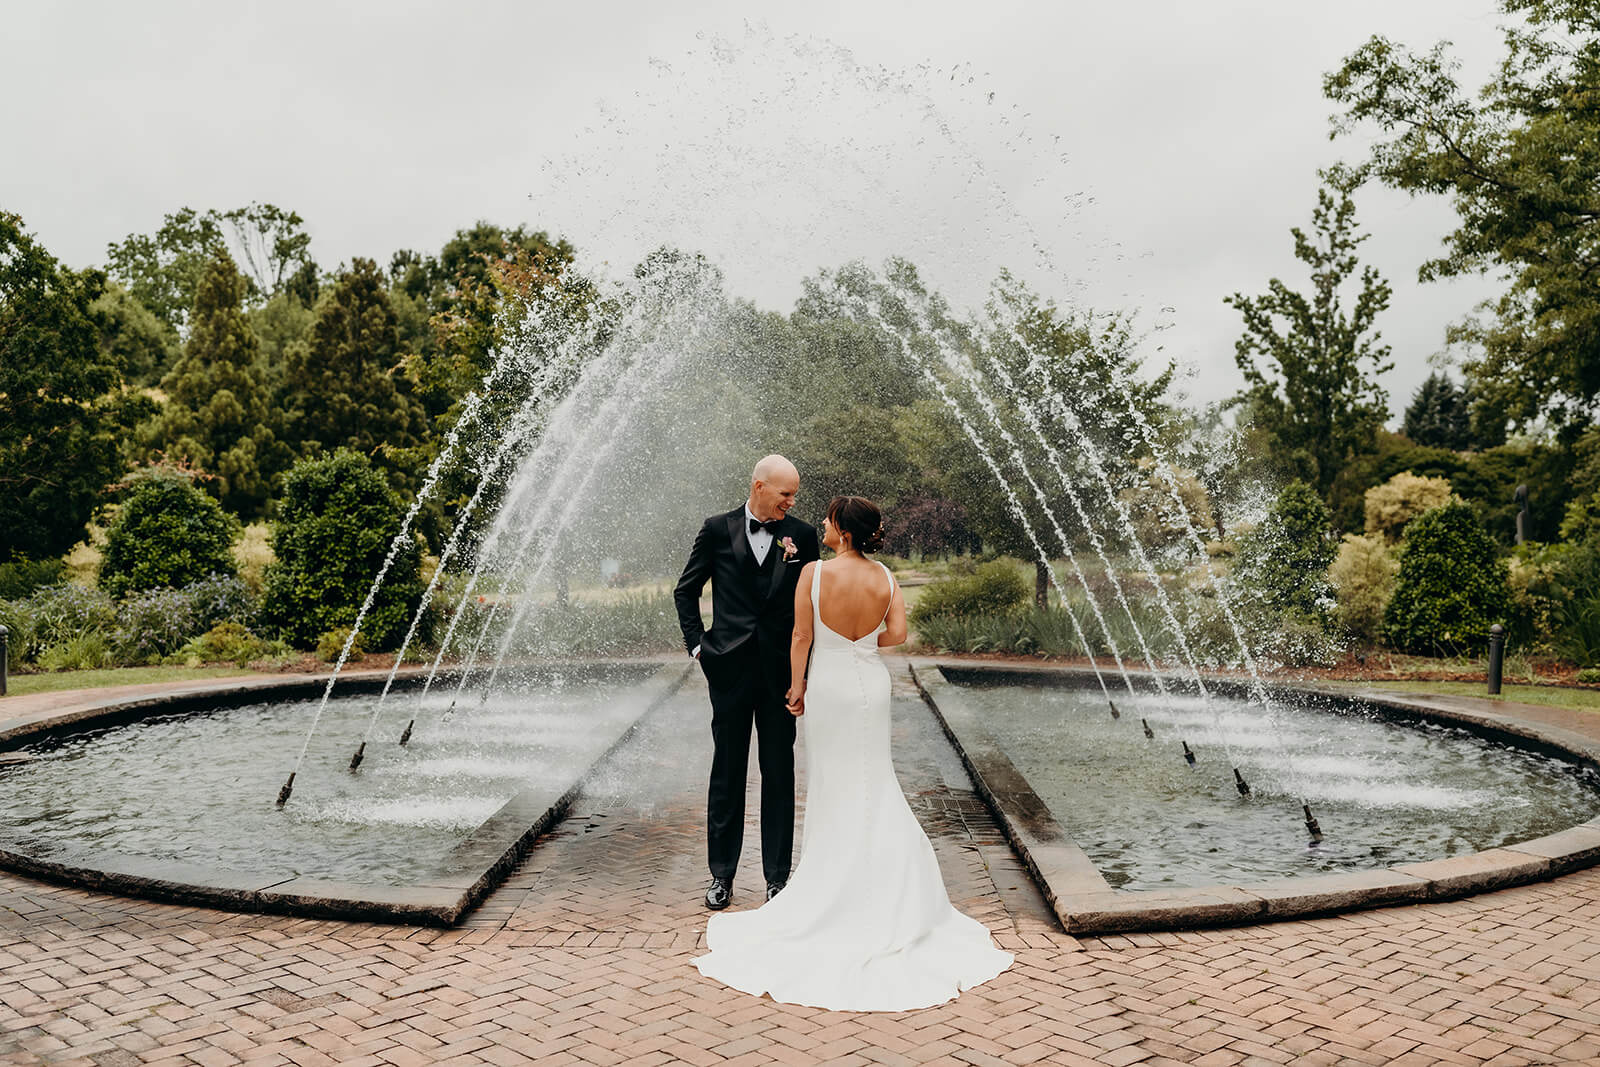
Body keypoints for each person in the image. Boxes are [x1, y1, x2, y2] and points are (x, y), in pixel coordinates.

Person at [692, 496, 1014, 1012]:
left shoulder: (814, 574)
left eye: (827, 519)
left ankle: (830, 883)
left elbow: (801, 635)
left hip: (829, 687)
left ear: (841, 529)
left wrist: (796, 687)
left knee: (833, 782)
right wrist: (862, 644)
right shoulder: (886, 577)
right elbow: (900, 634)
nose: (819, 523)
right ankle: (886, 884)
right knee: (875, 778)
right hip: (871, 681)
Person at [675, 455, 821, 911]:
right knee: (727, 773)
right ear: (760, 486)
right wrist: (699, 647)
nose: (791, 502)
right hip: (730, 672)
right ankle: (722, 877)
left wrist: (806, 671)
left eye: (794, 495)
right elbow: (686, 589)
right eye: (785, 493)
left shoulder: (803, 536)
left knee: (779, 775)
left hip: (781, 675)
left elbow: (813, 606)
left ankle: (777, 879)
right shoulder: (716, 529)